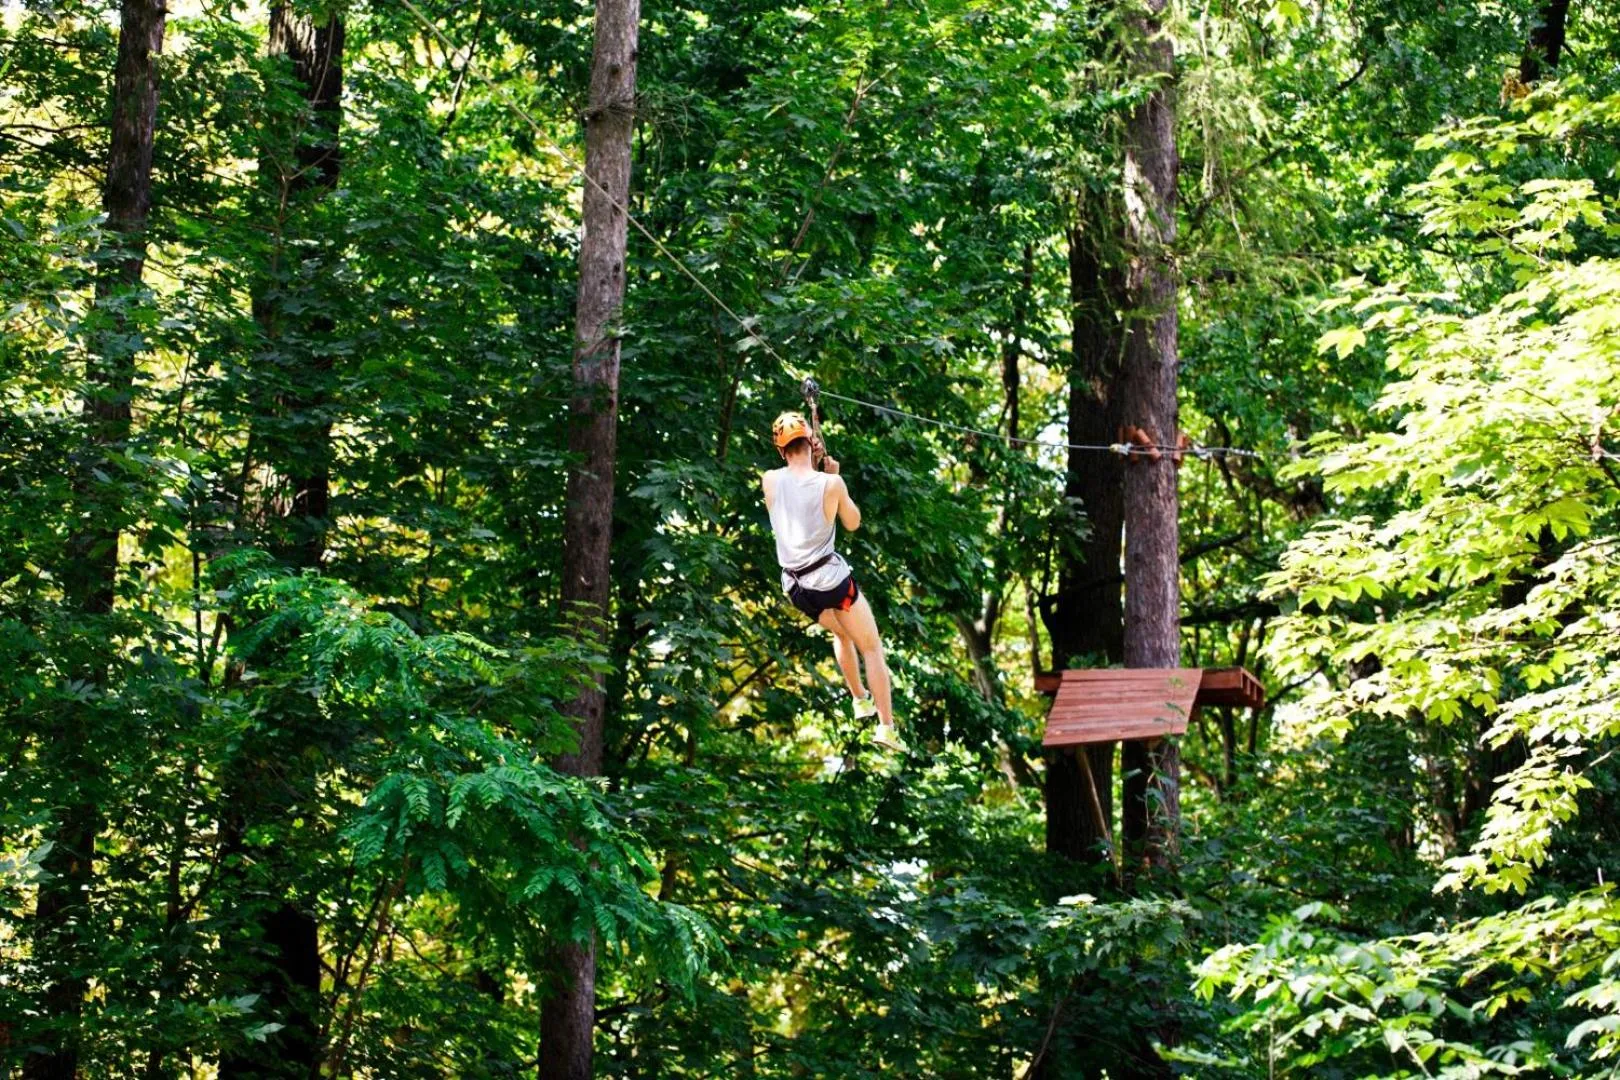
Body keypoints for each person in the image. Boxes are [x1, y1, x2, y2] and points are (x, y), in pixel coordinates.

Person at [762, 411, 901, 752]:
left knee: (841, 632)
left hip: (795, 587)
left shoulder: (770, 480)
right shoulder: (831, 484)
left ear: (781, 451)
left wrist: (818, 467)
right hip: (830, 581)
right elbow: (853, 523)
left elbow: (793, 488)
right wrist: (836, 479)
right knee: (871, 646)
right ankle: (886, 726)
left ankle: (859, 699)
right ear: (812, 442)